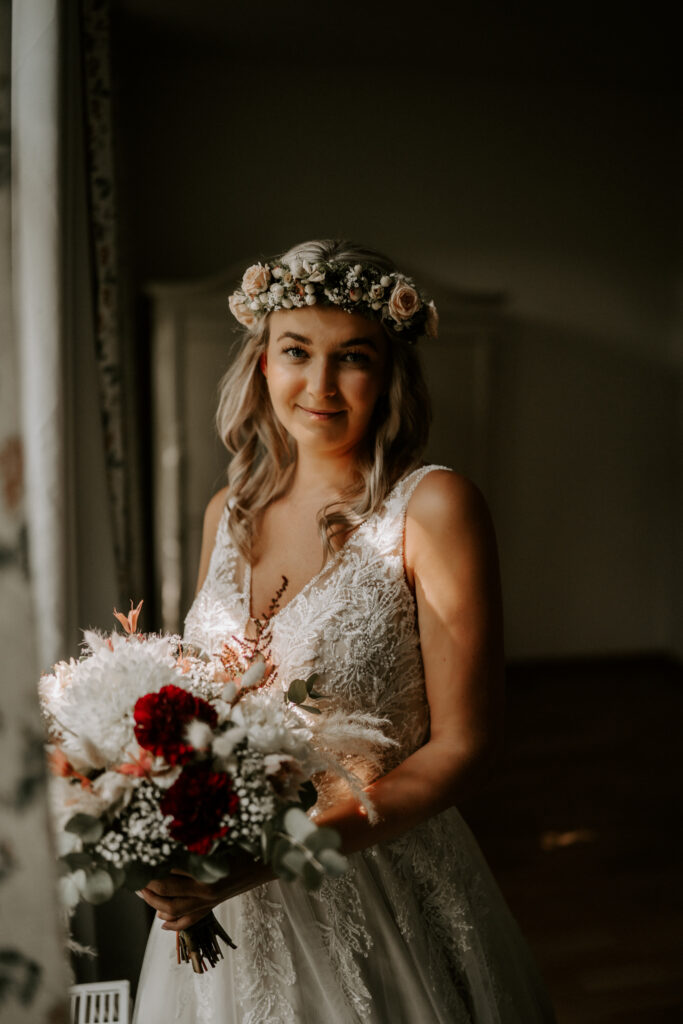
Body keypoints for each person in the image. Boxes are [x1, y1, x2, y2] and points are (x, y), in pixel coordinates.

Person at [133, 240, 556, 1022]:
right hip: (219, 896)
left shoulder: (433, 509)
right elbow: (193, 711)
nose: (319, 385)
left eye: (352, 358)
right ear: (263, 363)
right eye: (296, 351)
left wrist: (274, 856)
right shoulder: (225, 515)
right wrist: (153, 836)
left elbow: (465, 748)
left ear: (390, 373)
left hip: (379, 887)